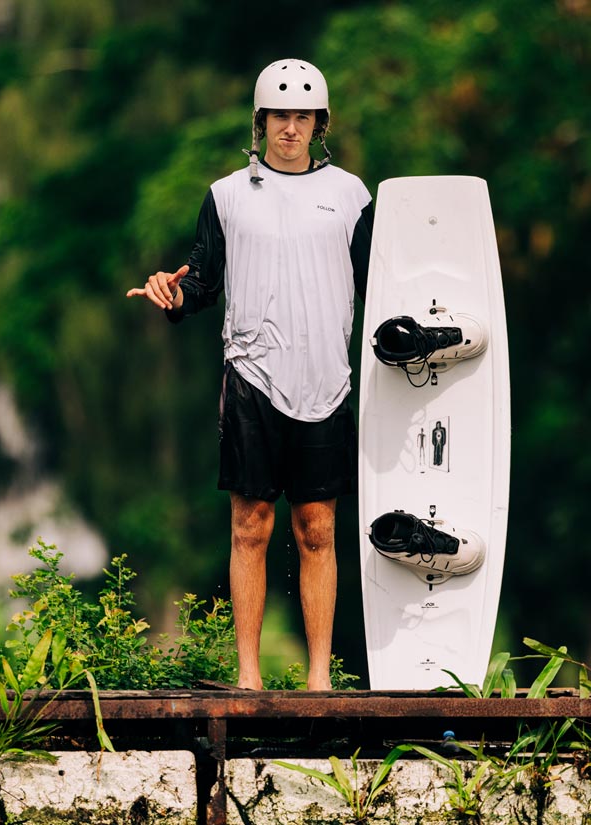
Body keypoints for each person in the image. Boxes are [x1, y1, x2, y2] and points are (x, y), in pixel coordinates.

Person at [127, 58, 373, 690]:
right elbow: (202, 282)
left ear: (320, 124)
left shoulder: (351, 195)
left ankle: (319, 681)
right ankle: (248, 678)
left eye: (302, 117)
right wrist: (173, 295)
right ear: (259, 122)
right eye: (278, 117)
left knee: (318, 527)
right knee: (250, 525)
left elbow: (382, 279)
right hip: (253, 376)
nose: (289, 128)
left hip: (326, 379)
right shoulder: (228, 196)